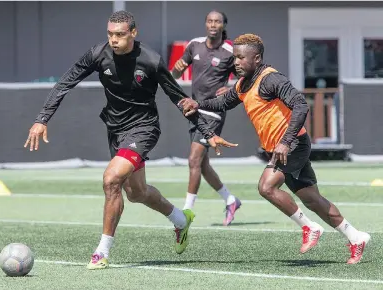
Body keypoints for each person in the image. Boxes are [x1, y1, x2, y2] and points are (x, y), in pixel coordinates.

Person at [23, 11, 237, 270]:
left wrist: (208, 132)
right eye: (110, 34)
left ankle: (101, 252)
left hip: (144, 129)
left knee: (111, 179)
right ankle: (181, 220)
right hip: (115, 129)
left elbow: (179, 99)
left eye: (120, 35)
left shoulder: (151, 60)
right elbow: (65, 83)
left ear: (133, 33)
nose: (113, 40)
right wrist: (42, 119)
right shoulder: (97, 54)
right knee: (137, 193)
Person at [179, 33, 370, 264]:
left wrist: (286, 141)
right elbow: (223, 102)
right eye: (235, 58)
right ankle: (355, 237)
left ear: (257, 58)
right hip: (282, 148)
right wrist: (198, 104)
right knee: (313, 200)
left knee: (266, 186)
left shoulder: (271, 79)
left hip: (293, 145)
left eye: (241, 58)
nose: (236, 62)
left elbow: (300, 106)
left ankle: (309, 227)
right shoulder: (243, 84)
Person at [171, 10, 241, 226]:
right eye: (210, 21)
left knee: (193, 160)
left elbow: (244, 79)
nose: (213, 24)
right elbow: (173, 74)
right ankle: (230, 200)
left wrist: (230, 88)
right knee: (202, 165)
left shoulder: (230, 50)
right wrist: (176, 70)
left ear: (223, 25)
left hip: (214, 113)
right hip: (194, 110)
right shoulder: (194, 45)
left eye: (217, 21)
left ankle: (186, 212)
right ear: (205, 24)